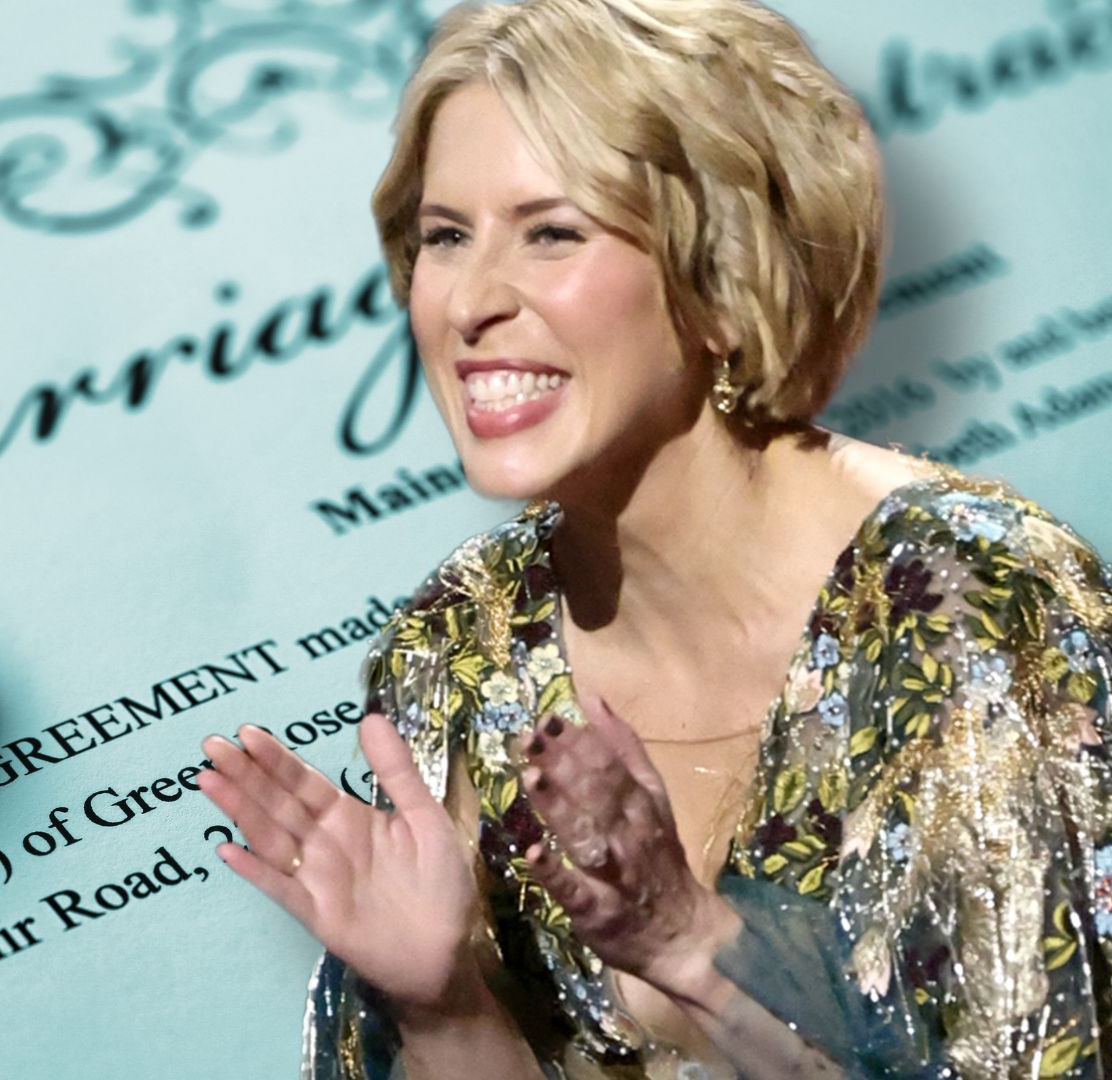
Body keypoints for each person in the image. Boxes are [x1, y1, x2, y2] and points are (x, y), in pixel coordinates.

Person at [195, 0, 1112, 1076]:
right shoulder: (461, 653)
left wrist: (700, 958)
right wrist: (442, 1008)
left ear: (721, 279)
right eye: (445, 237)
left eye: (552, 231)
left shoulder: (977, 607)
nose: (469, 303)